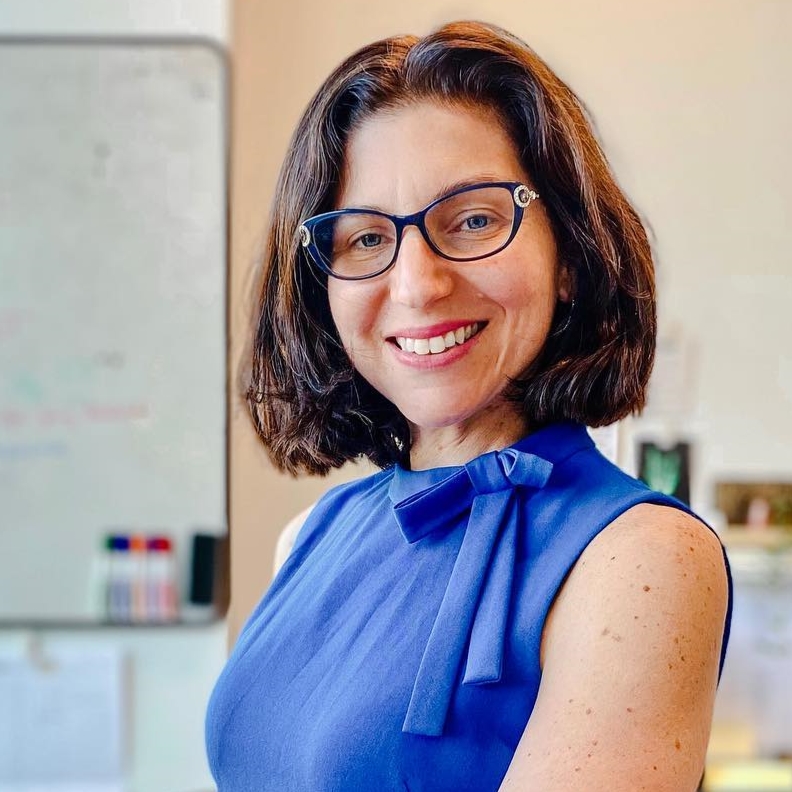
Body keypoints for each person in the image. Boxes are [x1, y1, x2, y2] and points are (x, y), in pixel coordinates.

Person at [206, 20, 732, 792]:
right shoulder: (311, 534)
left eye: (475, 220)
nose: (417, 284)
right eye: (364, 240)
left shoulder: (642, 559)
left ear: (569, 258)